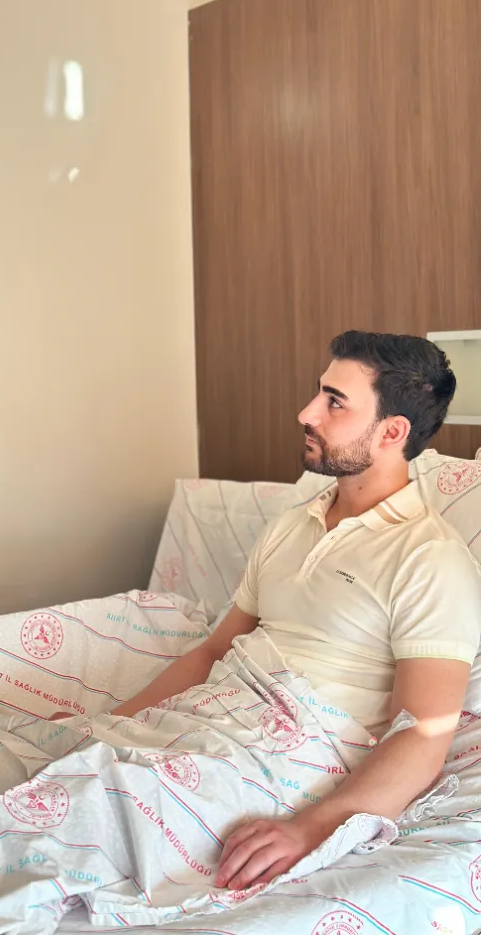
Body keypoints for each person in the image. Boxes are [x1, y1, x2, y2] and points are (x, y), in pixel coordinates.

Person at [100, 331, 481, 891]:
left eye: (335, 402)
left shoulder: (430, 559)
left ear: (392, 432)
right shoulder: (290, 526)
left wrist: (310, 828)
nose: (307, 413)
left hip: (286, 755)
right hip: (211, 720)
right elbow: (212, 651)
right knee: (48, 768)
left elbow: (423, 737)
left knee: (96, 815)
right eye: (318, 393)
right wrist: (111, 724)